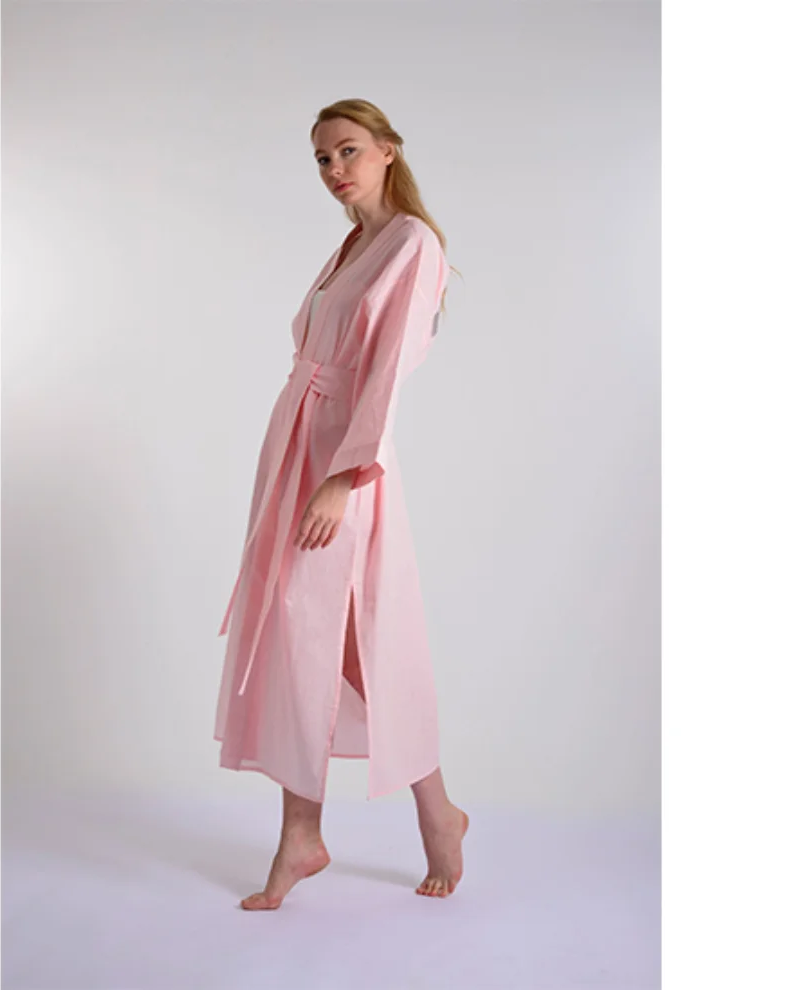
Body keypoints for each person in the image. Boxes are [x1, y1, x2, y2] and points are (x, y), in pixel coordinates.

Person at [214, 99, 468, 909]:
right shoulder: (351, 245)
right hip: (298, 450)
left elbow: (386, 373)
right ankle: (352, 825)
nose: (334, 169)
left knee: (333, 632)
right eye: (322, 158)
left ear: (388, 150)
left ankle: (350, 826)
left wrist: (344, 475)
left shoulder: (412, 243)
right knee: (320, 637)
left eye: (348, 150)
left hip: (345, 464)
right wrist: (304, 463)